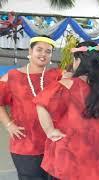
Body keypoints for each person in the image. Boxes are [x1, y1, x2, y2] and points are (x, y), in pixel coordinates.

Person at [33, 41, 99, 180]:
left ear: (78, 61)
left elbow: (41, 104)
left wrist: (49, 130)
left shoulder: (67, 85)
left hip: (71, 164)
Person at [0, 35, 61, 180]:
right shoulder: (12, 76)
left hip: (55, 143)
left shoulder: (57, 75)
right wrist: (8, 125)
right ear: (30, 51)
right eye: (39, 49)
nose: (43, 54)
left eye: (48, 51)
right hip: (25, 145)